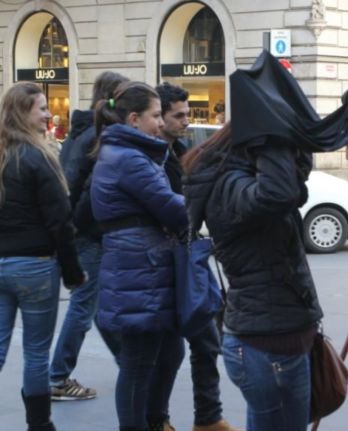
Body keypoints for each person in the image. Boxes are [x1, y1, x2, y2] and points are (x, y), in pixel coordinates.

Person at [0, 81, 86, 431]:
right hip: (33, 266)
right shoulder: (39, 157)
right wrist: (74, 274)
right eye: (42, 108)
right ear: (22, 113)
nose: (49, 114)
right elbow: (61, 222)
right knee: (35, 354)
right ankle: (40, 426)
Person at [182, 123, 322, 430]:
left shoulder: (243, 178)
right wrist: (273, 137)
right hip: (266, 345)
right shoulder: (232, 184)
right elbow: (278, 192)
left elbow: (293, 184)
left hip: (277, 338)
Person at [90, 81, 187, 431]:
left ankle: (155, 420)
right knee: (139, 362)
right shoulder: (130, 158)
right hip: (138, 268)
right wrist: (205, 204)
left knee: (169, 352)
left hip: (140, 265)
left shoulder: (126, 153)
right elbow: (171, 207)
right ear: (134, 119)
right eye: (156, 115)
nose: (160, 123)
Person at [156, 82, 239, 431]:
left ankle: (207, 416)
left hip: (186, 260)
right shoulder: (148, 158)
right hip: (166, 265)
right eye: (178, 116)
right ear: (156, 118)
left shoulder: (178, 153)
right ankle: (158, 418)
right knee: (168, 351)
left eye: (187, 115)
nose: (185, 121)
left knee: (206, 340)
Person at [49, 71, 128, 401]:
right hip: (86, 233)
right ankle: (58, 376)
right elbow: (86, 189)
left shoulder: (80, 131)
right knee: (85, 305)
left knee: (96, 304)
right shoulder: (98, 135)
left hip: (76, 230)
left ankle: (127, 361)